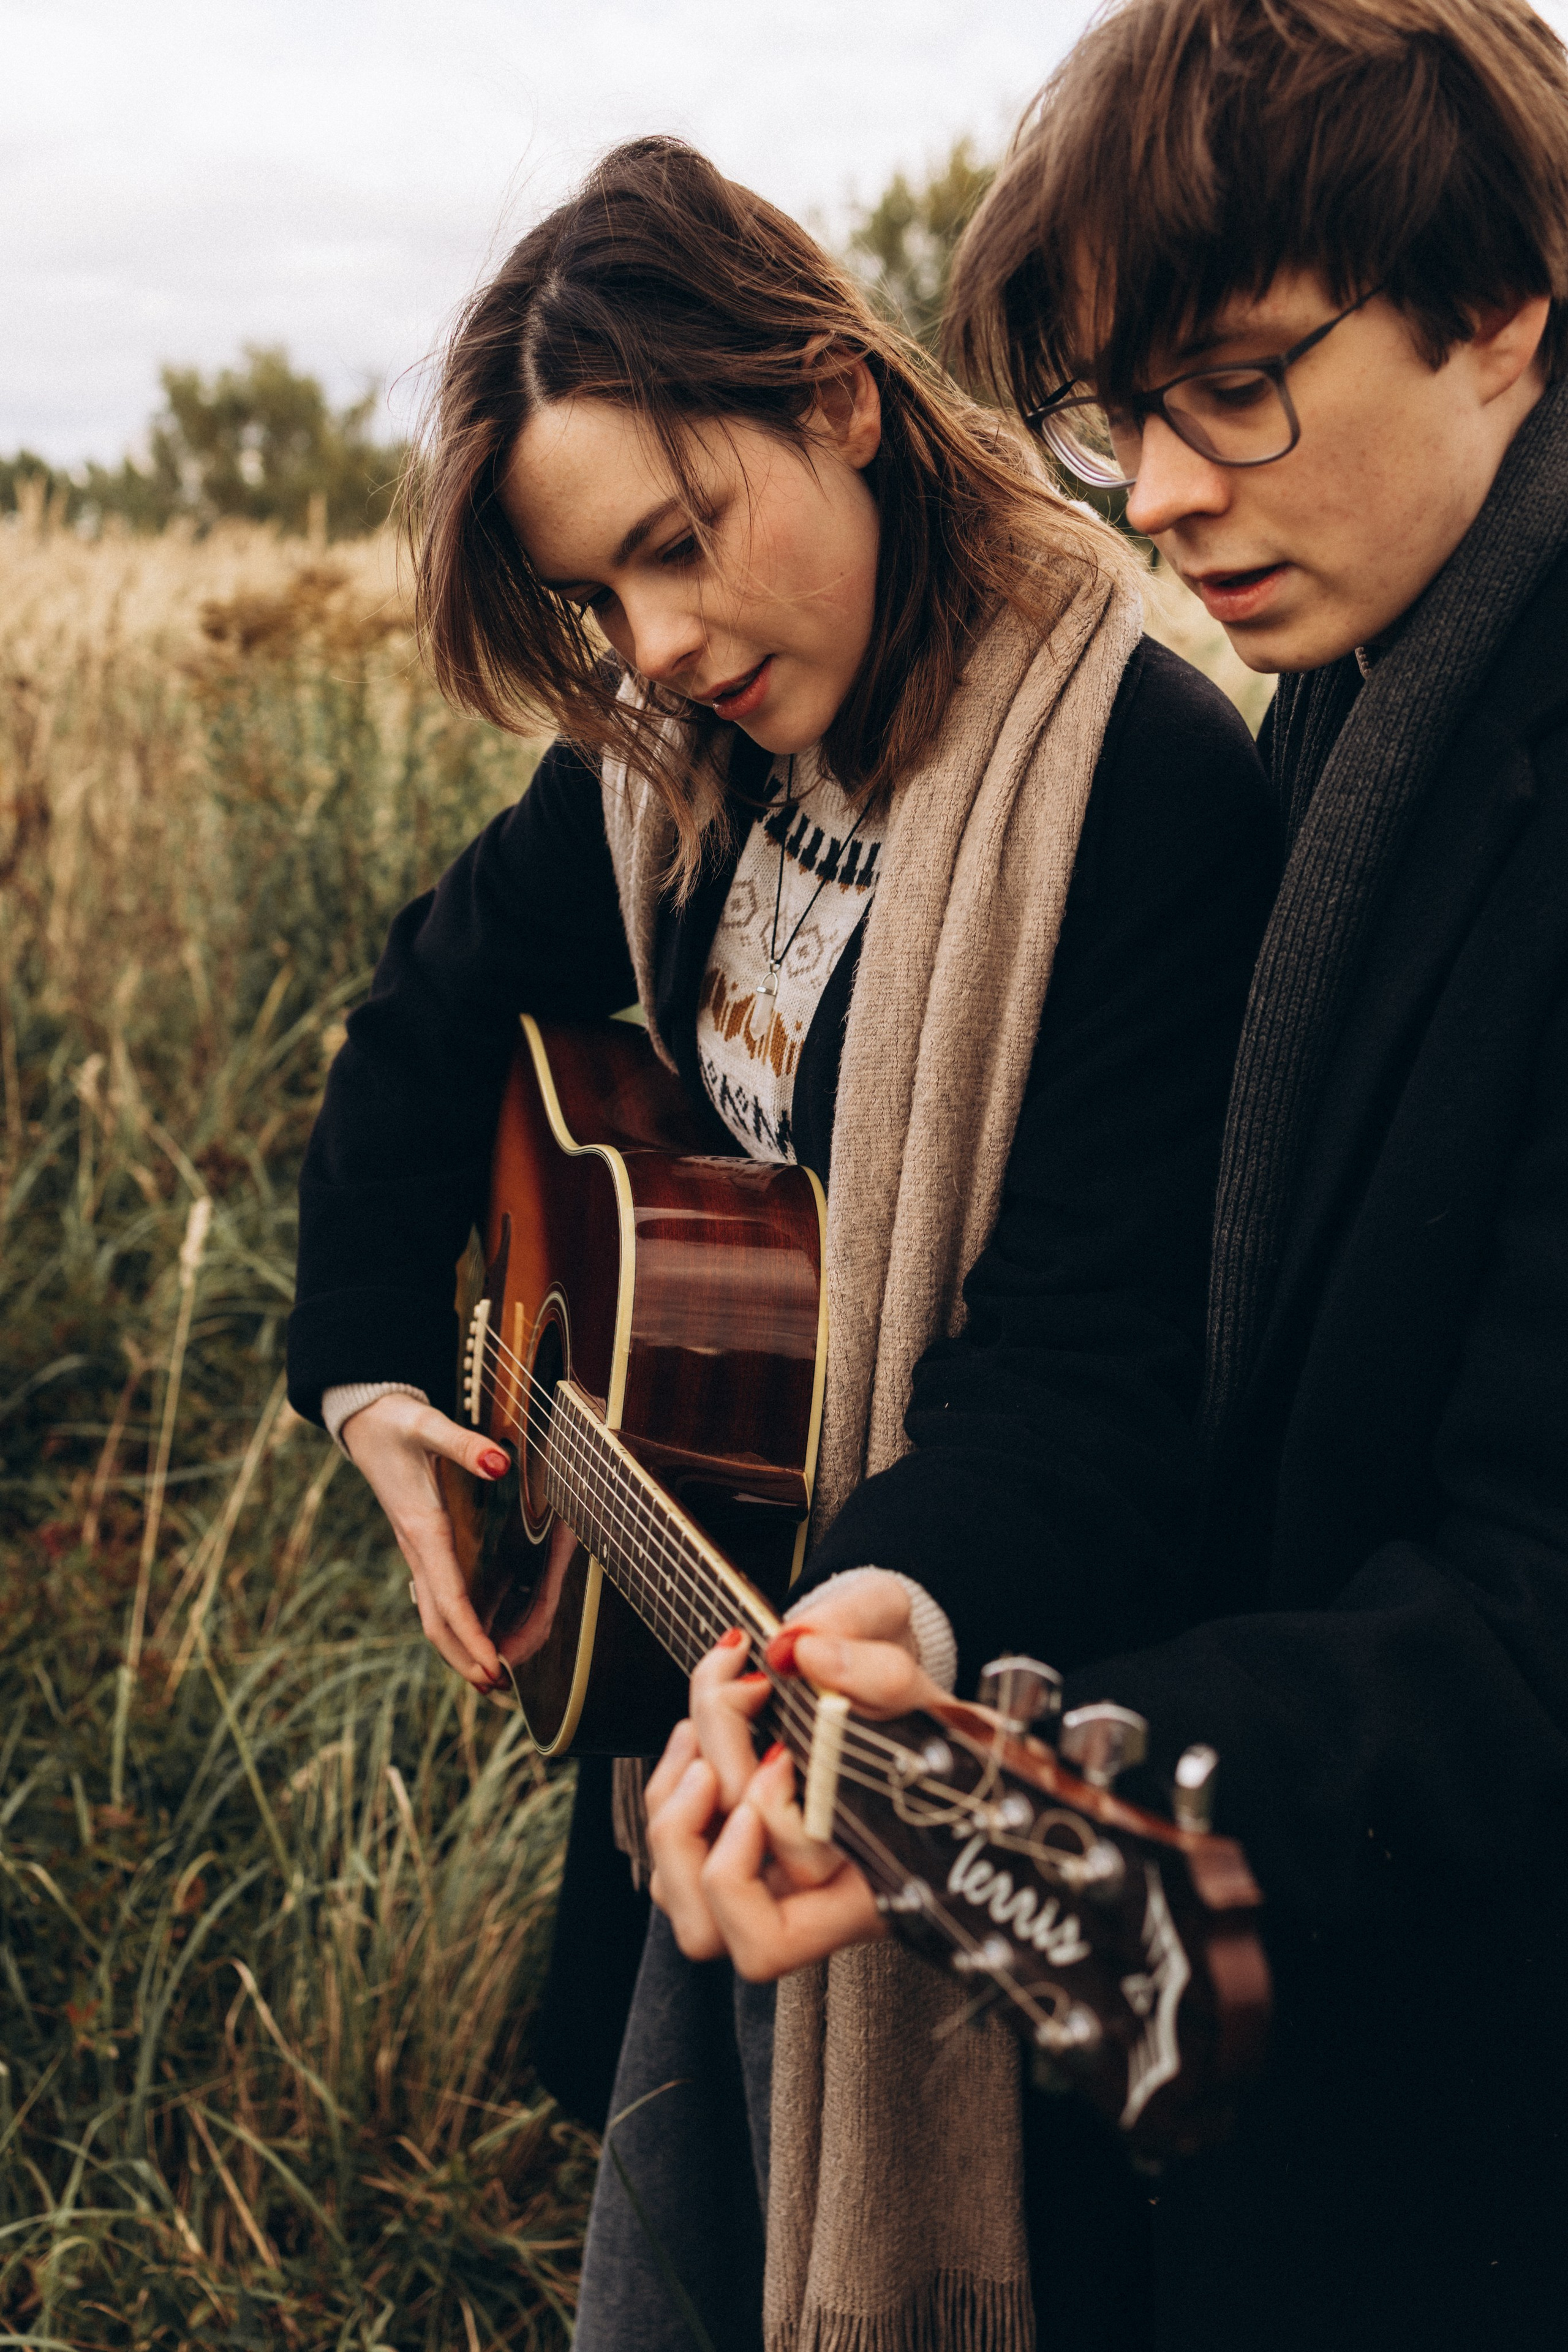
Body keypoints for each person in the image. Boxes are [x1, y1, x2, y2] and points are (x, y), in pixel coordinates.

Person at [284, 136, 1273, 2352]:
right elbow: (434, 1000)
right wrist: (369, 1369)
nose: (655, 646)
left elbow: (1088, 1363)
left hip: (929, 1745)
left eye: (675, 545)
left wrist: (875, 1609)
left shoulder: (1138, 786)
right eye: (597, 601)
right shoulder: (676, 762)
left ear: (836, 395)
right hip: (692, 1720)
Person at [652, 2, 1568, 2347]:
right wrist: (921, 1623)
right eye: (1108, 425)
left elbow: (1535, 1597)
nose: (1155, 496)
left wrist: (1068, 1776)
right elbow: (1155, 1339)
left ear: (1500, 302)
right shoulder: (1371, 688)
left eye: (1233, 383)